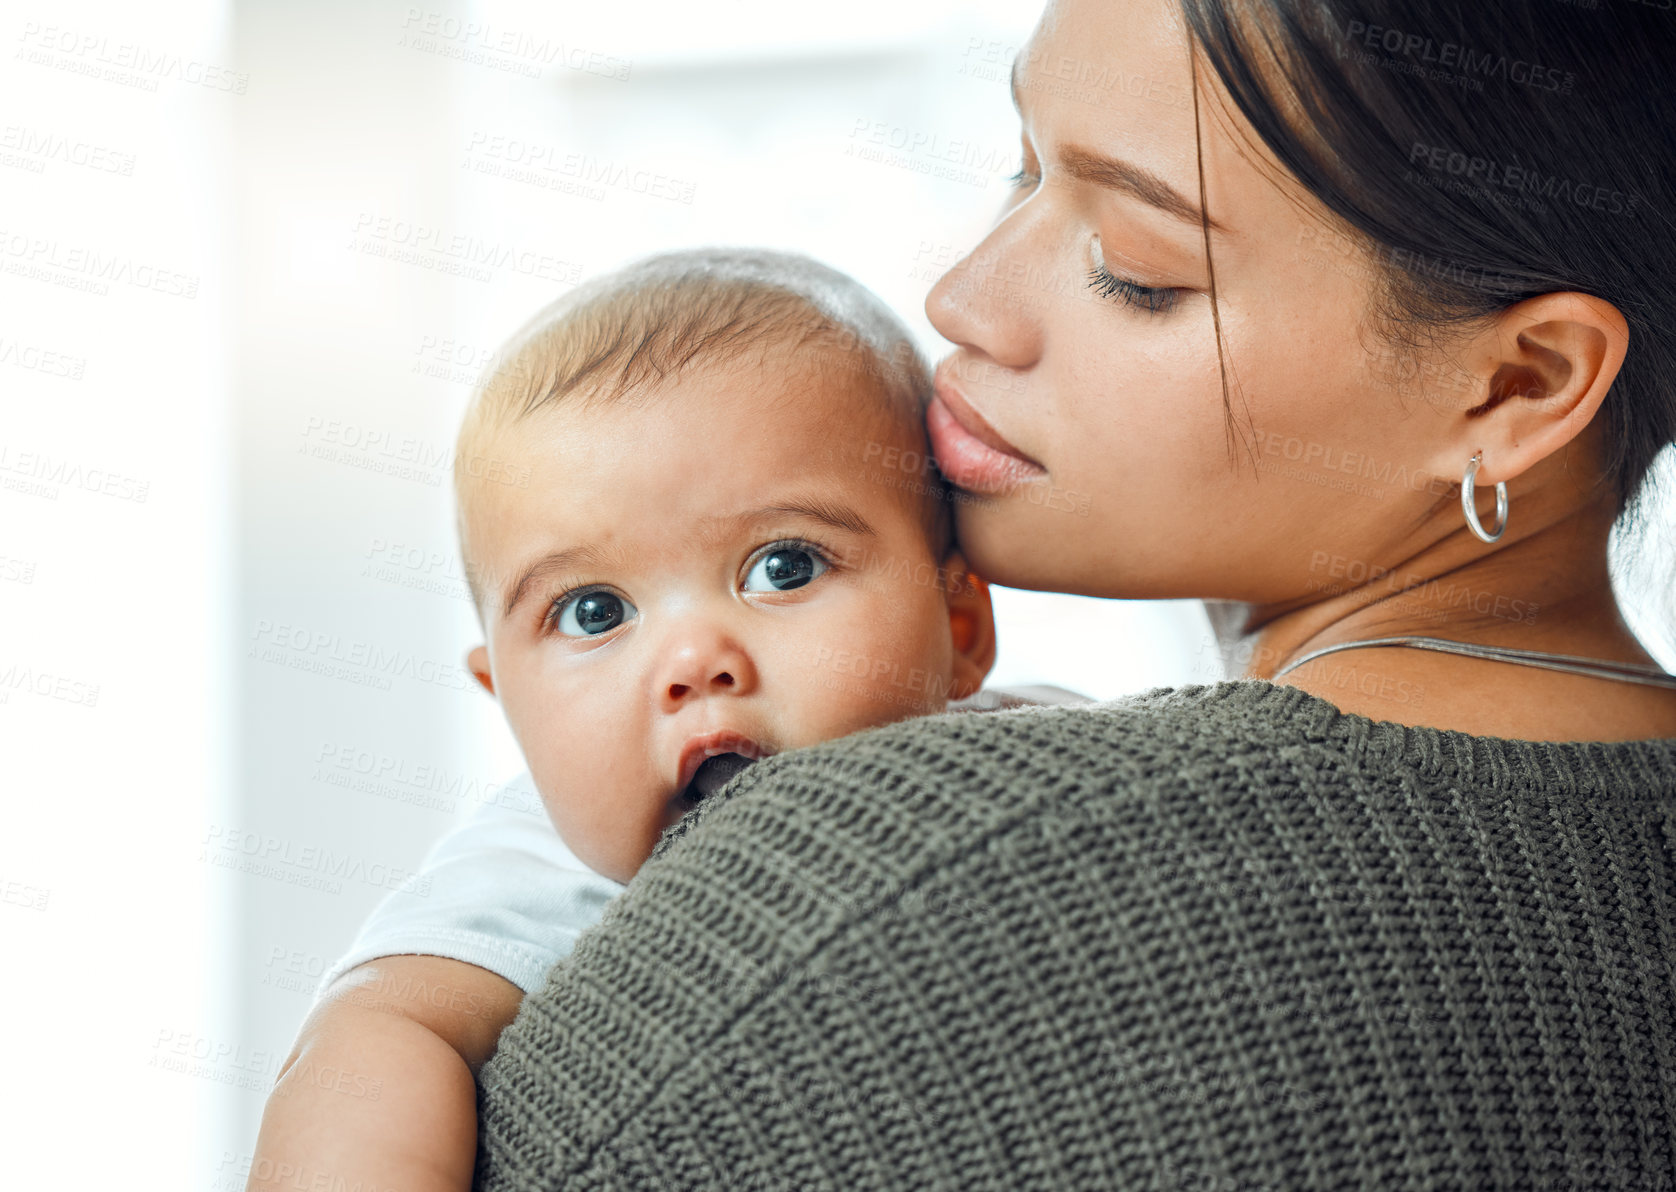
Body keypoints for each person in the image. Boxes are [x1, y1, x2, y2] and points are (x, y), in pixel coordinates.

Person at [299, 0, 1676, 1185]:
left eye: (1134, 275)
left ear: (1519, 384)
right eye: (1022, 170)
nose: (963, 298)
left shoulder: (871, 867)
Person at [244, 247, 1090, 1190]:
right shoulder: (538, 865)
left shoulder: (1044, 750)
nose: (693, 661)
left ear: (960, 624)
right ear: (508, 703)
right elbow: (374, 1035)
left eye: (785, 566)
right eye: (594, 613)